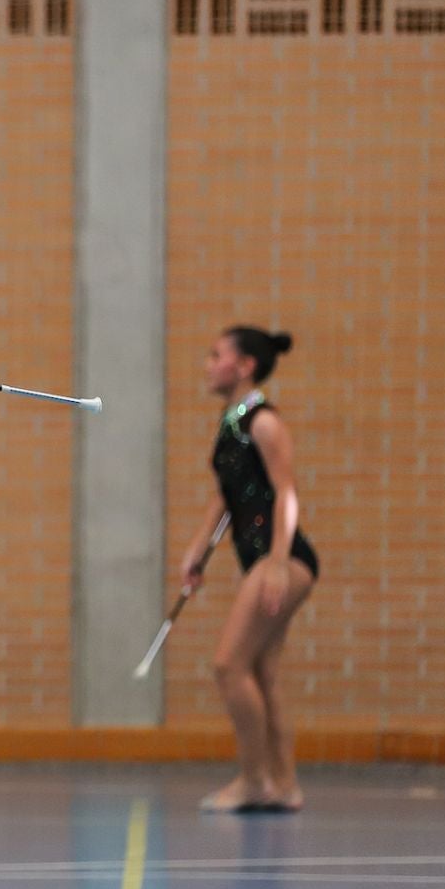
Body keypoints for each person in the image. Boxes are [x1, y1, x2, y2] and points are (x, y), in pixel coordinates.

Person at [181, 327, 318, 813]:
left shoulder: (263, 422)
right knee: (262, 671)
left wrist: (279, 562)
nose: (207, 363)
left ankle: (254, 781)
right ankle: (284, 785)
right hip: (264, 558)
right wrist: (199, 550)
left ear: (244, 367)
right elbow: (229, 495)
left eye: (216, 355)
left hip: (282, 558)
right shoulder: (232, 421)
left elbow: (287, 492)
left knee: (229, 665)